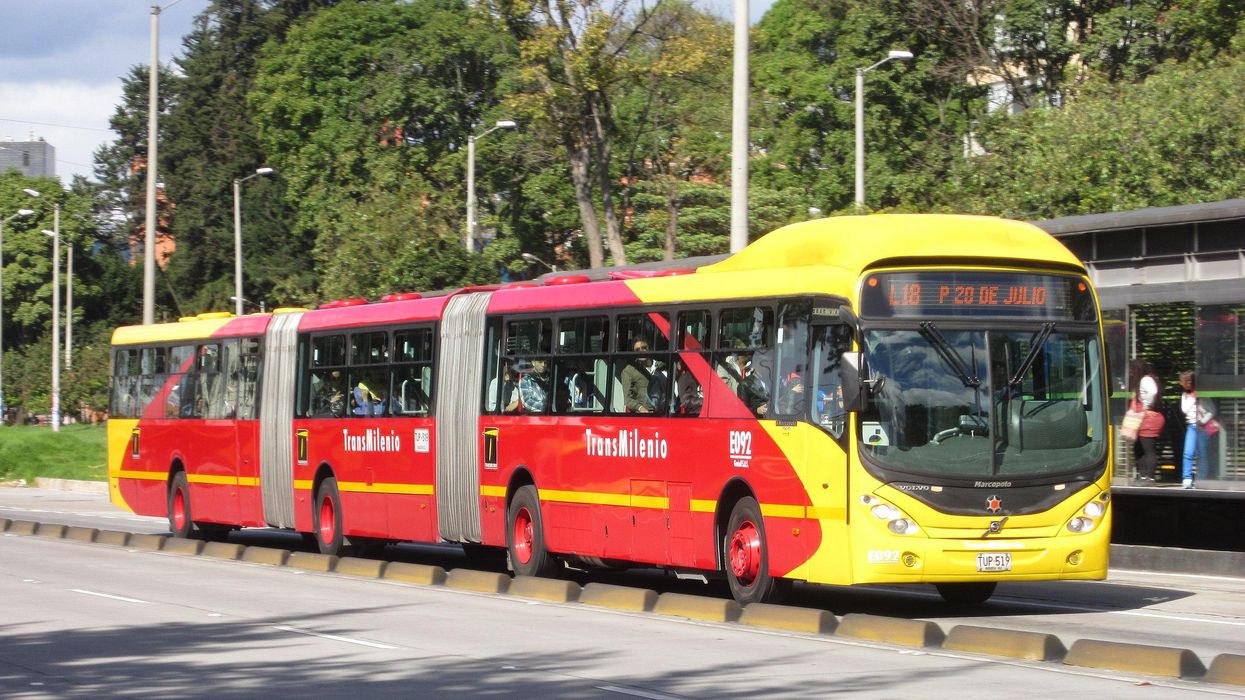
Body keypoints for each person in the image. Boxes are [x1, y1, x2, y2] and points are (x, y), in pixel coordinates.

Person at [1128, 359, 1163, 483]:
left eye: (1132, 369)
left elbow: (1152, 392)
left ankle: (1150, 477)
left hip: (1148, 418)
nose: (1130, 372)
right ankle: (1143, 476)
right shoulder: (1145, 380)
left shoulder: (1145, 380)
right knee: (1139, 448)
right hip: (1145, 418)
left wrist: (1147, 406)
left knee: (1148, 449)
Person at [1179, 370, 1212, 489]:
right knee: (1188, 452)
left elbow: (1212, 410)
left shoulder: (1203, 395)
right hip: (1192, 426)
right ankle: (1187, 478)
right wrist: (1193, 398)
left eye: (1183, 381)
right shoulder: (1185, 395)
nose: (1181, 384)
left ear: (1189, 382)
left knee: (1202, 453)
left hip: (1202, 427)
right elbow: (1185, 410)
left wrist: (1202, 421)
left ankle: (1202, 478)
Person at [620, 340, 655, 413]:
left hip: (664, 412)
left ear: (650, 348)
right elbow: (627, 399)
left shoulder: (661, 366)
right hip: (644, 414)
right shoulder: (629, 371)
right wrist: (640, 408)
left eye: (644, 348)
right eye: (637, 350)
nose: (641, 351)